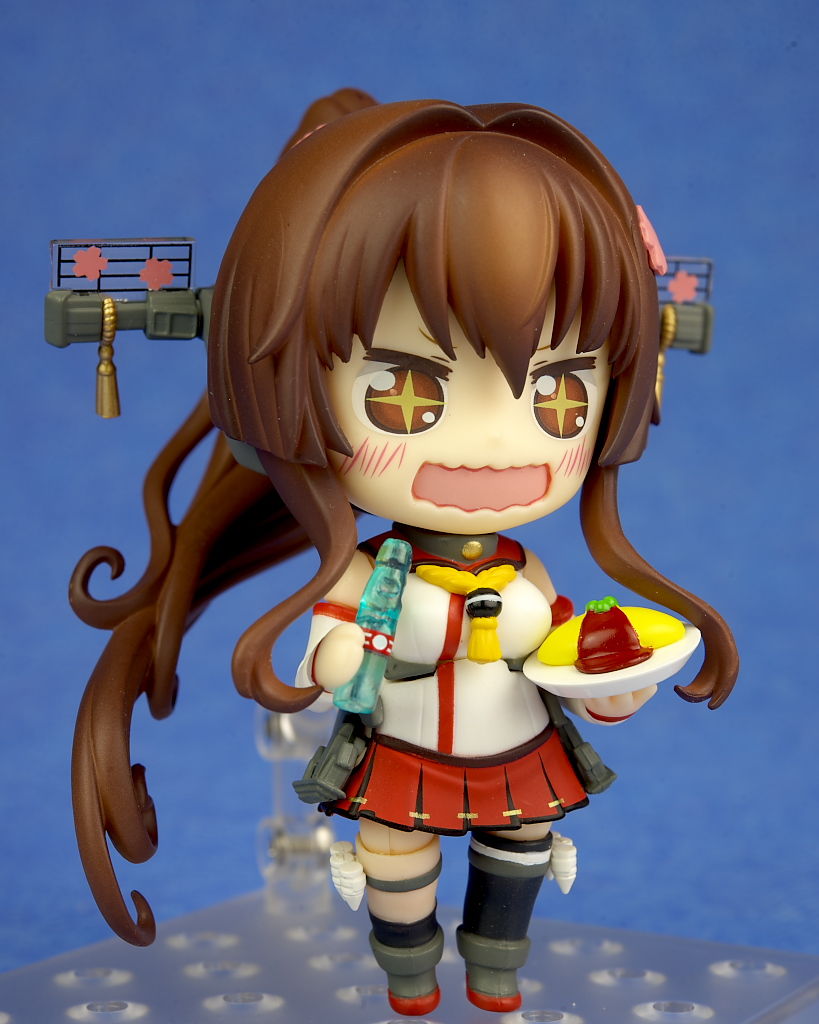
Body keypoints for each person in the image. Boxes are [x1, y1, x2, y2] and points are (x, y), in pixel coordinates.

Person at [70, 89, 738, 1016]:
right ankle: (408, 970)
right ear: (290, 395)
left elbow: (565, 656)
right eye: (405, 393)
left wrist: (611, 686)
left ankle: (496, 962)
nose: (495, 444)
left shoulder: (528, 572)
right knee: (396, 853)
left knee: (522, 845)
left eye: (557, 395)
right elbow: (334, 658)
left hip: (515, 743)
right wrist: (361, 651)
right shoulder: (370, 573)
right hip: (406, 745)